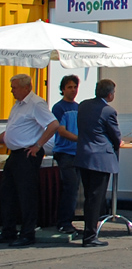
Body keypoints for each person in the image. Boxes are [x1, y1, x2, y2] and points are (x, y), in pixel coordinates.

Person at [0, 74, 64, 246]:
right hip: (14, 153)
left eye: (14, 87)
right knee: (7, 193)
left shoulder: (36, 103)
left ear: (26, 87)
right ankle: (8, 230)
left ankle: (27, 233)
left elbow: (53, 124)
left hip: (27, 154)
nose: (11, 91)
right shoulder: (18, 105)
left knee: (26, 195)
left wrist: (38, 145)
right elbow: (15, 129)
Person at [75, 79, 121, 247]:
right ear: (110, 94)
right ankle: (90, 236)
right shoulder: (108, 111)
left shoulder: (83, 105)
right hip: (100, 158)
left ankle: (89, 232)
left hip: (84, 156)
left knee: (89, 197)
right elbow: (116, 136)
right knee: (96, 198)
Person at [51, 75, 82, 236]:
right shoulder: (59, 107)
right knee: (69, 187)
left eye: (75, 87)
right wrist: (80, 139)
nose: (73, 90)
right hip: (65, 152)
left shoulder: (78, 107)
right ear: (63, 89)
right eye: (69, 87)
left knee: (74, 187)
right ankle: (63, 222)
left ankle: (68, 220)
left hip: (77, 152)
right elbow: (61, 130)